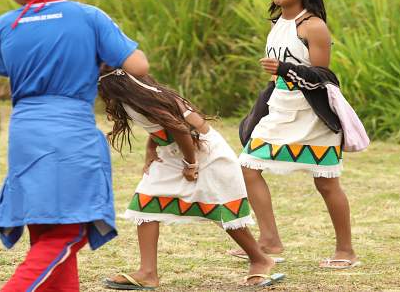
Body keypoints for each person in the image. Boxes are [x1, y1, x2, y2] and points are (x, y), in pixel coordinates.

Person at [0, 0, 149, 291]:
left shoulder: (5, 24)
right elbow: (138, 65)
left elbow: (7, 68)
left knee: (46, 228)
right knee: (72, 229)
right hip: (70, 130)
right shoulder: (89, 16)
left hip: (26, 130)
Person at [98, 66, 284, 289]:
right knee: (145, 203)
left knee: (221, 210)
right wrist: (151, 150)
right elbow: (160, 127)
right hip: (175, 153)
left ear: (113, 86)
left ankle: (260, 259)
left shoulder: (141, 98)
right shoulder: (138, 96)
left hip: (205, 154)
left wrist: (191, 164)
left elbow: (179, 128)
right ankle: (148, 272)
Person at [231, 0, 360, 269]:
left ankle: (346, 250)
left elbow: (324, 76)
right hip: (281, 108)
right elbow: (278, 77)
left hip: (311, 115)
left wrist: (287, 69)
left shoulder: (313, 26)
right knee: (248, 165)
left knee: (326, 181)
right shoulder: (278, 23)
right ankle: (270, 241)